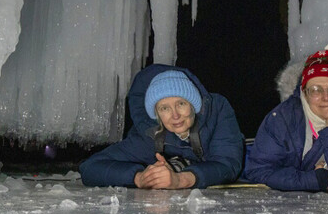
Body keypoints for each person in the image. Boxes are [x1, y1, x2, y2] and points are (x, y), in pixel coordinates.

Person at [79, 64, 244, 189]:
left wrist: (181, 180)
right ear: (156, 114)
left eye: (181, 103)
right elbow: (90, 168)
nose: (175, 115)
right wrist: (139, 178)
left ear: (193, 105)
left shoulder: (218, 111)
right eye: (164, 108)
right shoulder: (148, 135)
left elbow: (228, 164)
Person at [243, 44, 328, 192]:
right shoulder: (283, 118)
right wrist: (313, 180)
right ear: (305, 93)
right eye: (315, 90)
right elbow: (259, 171)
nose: (326, 97)